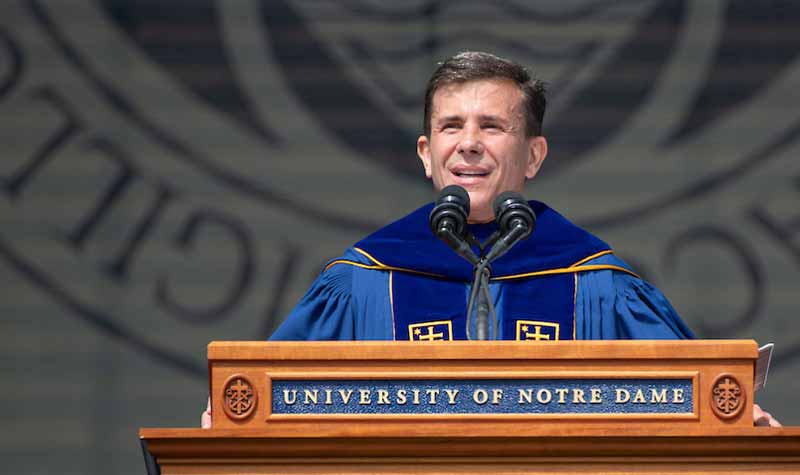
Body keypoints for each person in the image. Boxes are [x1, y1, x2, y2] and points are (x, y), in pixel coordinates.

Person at [202, 51, 779, 427]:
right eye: (451, 127)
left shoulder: (595, 280)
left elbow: (696, 399)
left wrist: (740, 420)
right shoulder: (362, 280)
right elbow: (265, 400)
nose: (469, 144)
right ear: (428, 155)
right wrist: (228, 419)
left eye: (493, 127)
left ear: (533, 155)